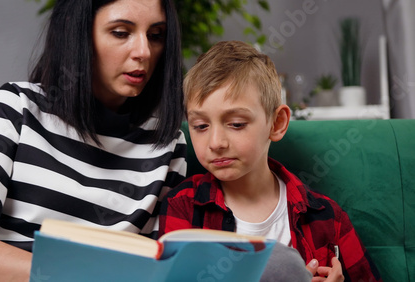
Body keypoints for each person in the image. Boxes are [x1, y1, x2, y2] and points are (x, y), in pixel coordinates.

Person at [0, 0, 187, 281]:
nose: (144, 52)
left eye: (155, 36)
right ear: (78, 35)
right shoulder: (16, 107)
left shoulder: (168, 144)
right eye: (121, 32)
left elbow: (159, 269)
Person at [159, 40, 382, 281]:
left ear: (276, 124)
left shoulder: (327, 217)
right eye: (200, 126)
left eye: (236, 124)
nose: (216, 142)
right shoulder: (181, 206)